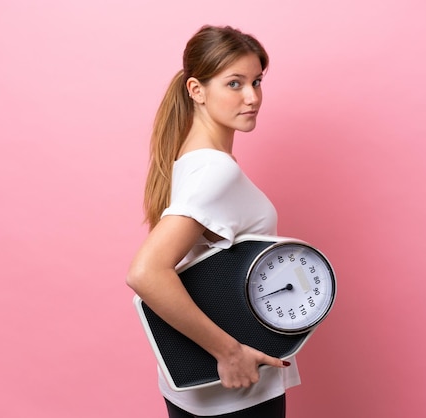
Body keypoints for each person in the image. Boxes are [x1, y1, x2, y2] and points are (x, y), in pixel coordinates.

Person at [126, 25, 300, 418]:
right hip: (234, 390)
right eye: (234, 84)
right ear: (196, 90)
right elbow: (146, 272)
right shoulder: (214, 171)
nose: (252, 97)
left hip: (201, 387)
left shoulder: (189, 160)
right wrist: (229, 352)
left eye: (257, 81)